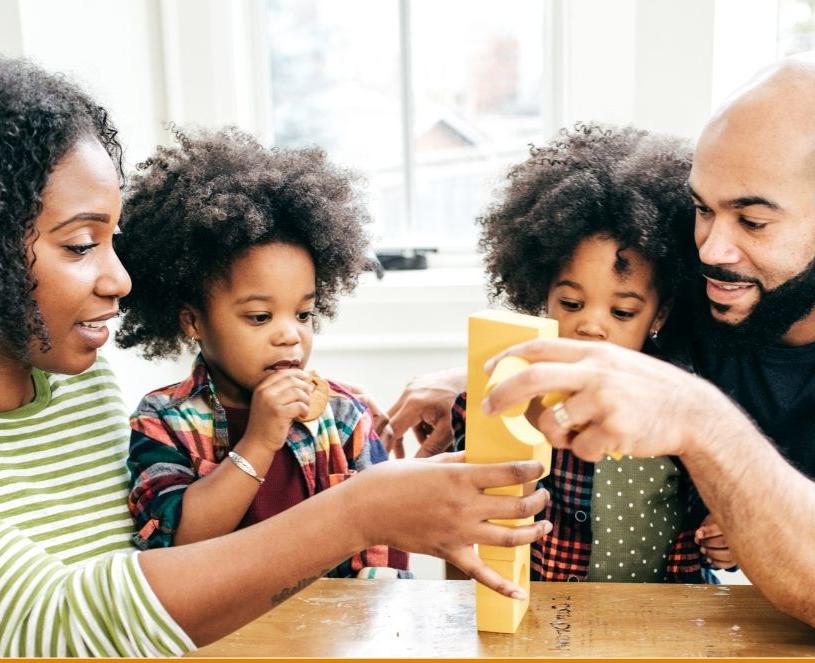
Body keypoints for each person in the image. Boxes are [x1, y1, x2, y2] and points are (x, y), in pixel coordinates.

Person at [0, 57, 552, 657]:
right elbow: (55, 620)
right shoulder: (158, 418)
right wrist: (359, 512)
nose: (120, 280)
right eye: (80, 244)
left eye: (113, 240)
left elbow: (131, 573)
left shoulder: (77, 376)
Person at [477, 53, 815, 649]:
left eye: (754, 221)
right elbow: (600, 321)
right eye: (702, 208)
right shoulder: (702, 284)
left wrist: (700, 420)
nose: (712, 248)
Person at [114, 128, 407, 577]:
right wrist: (260, 439)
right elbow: (176, 544)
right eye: (259, 317)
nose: (291, 335)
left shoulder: (347, 414)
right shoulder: (161, 421)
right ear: (193, 321)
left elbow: (386, 543)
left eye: (304, 314)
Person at [449, 122, 720, 582]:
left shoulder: (684, 404)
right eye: (571, 304)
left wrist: (722, 537)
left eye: (623, 312)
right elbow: (469, 514)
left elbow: (714, 515)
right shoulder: (507, 394)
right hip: (540, 625)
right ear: (541, 293)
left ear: (659, 314)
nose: (591, 325)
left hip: (661, 623)